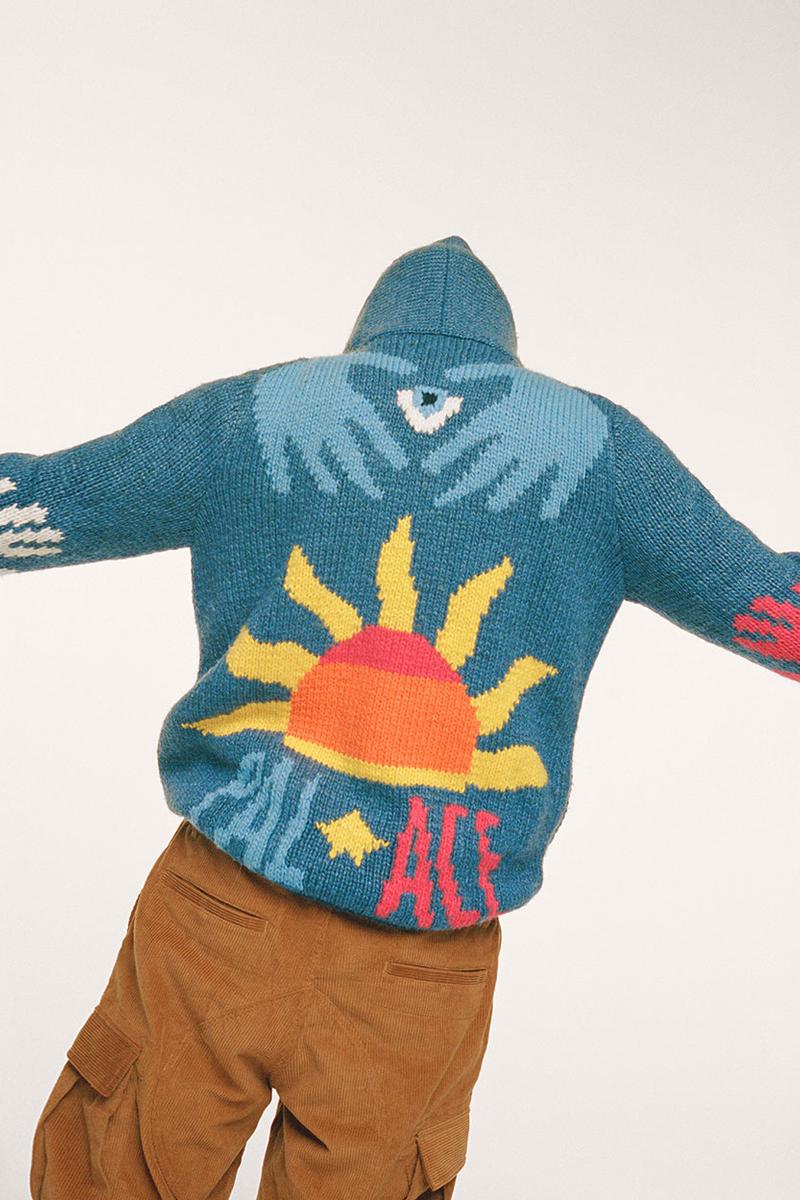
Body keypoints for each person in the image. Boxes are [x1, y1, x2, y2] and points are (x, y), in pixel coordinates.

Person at [5, 236, 798, 1200]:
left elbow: (50, 503)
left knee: (111, 1172)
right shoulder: (603, 453)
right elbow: (767, 606)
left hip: (220, 909)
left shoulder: (258, 411)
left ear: (363, 337)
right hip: (424, 949)